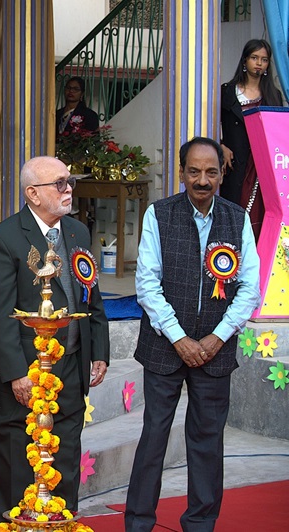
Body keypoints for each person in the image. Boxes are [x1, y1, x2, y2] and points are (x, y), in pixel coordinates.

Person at [124, 137, 261, 531]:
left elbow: (249, 288)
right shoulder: (159, 214)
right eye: (195, 171)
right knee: (154, 437)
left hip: (214, 351)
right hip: (165, 349)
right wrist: (179, 338)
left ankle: (201, 523)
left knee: (207, 441)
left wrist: (216, 337)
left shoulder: (237, 218)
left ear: (222, 174)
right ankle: (137, 523)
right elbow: (147, 284)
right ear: (181, 172)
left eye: (212, 172)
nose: (203, 180)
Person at [0, 156, 110, 526]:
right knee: (18, 463)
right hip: (21, 372)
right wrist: (17, 373)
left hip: (70, 364)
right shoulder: (1, 239)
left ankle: (60, 524)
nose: (68, 191)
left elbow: (91, 298)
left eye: (70, 183)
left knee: (63, 458)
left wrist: (99, 351)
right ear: (32, 194)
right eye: (60, 184)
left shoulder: (77, 233)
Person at [220, 39, 283, 240]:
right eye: (254, 58)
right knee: (233, 211)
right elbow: (213, 123)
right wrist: (220, 145)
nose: (259, 63)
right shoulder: (228, 92)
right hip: (235, 163)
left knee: (262, 214)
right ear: (245, 60)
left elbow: (279, 131)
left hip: (262, 165)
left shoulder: (273, 95)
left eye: (264, 60)